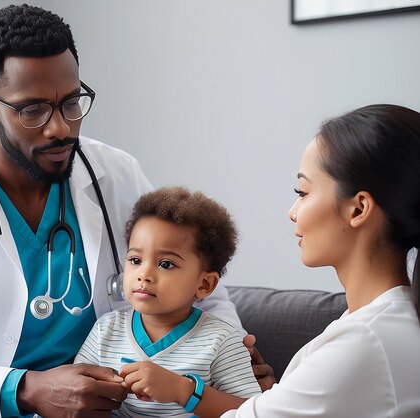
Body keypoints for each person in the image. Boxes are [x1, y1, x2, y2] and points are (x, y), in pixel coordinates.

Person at [0, 5, 272, 418]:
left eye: (71, 103)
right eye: (32, 110)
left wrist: (231, 356)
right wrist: (25, 388)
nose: (60, 128)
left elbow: (200, 287)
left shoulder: (116, 173)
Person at [124, 104, 420, 417]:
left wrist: (184, 389)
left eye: (303, 192)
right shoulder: (381, 323)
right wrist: (275, 397)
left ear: (358, 209)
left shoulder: (364, 342)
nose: (292, 211)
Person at [74, 187, 261, 417]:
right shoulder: (105, 329)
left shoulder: (222, 341)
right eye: (135, 260)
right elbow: (78, 395)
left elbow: (253, 411)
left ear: (204, 285)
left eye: (165, 264)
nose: (144, 274)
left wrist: (182, 391)